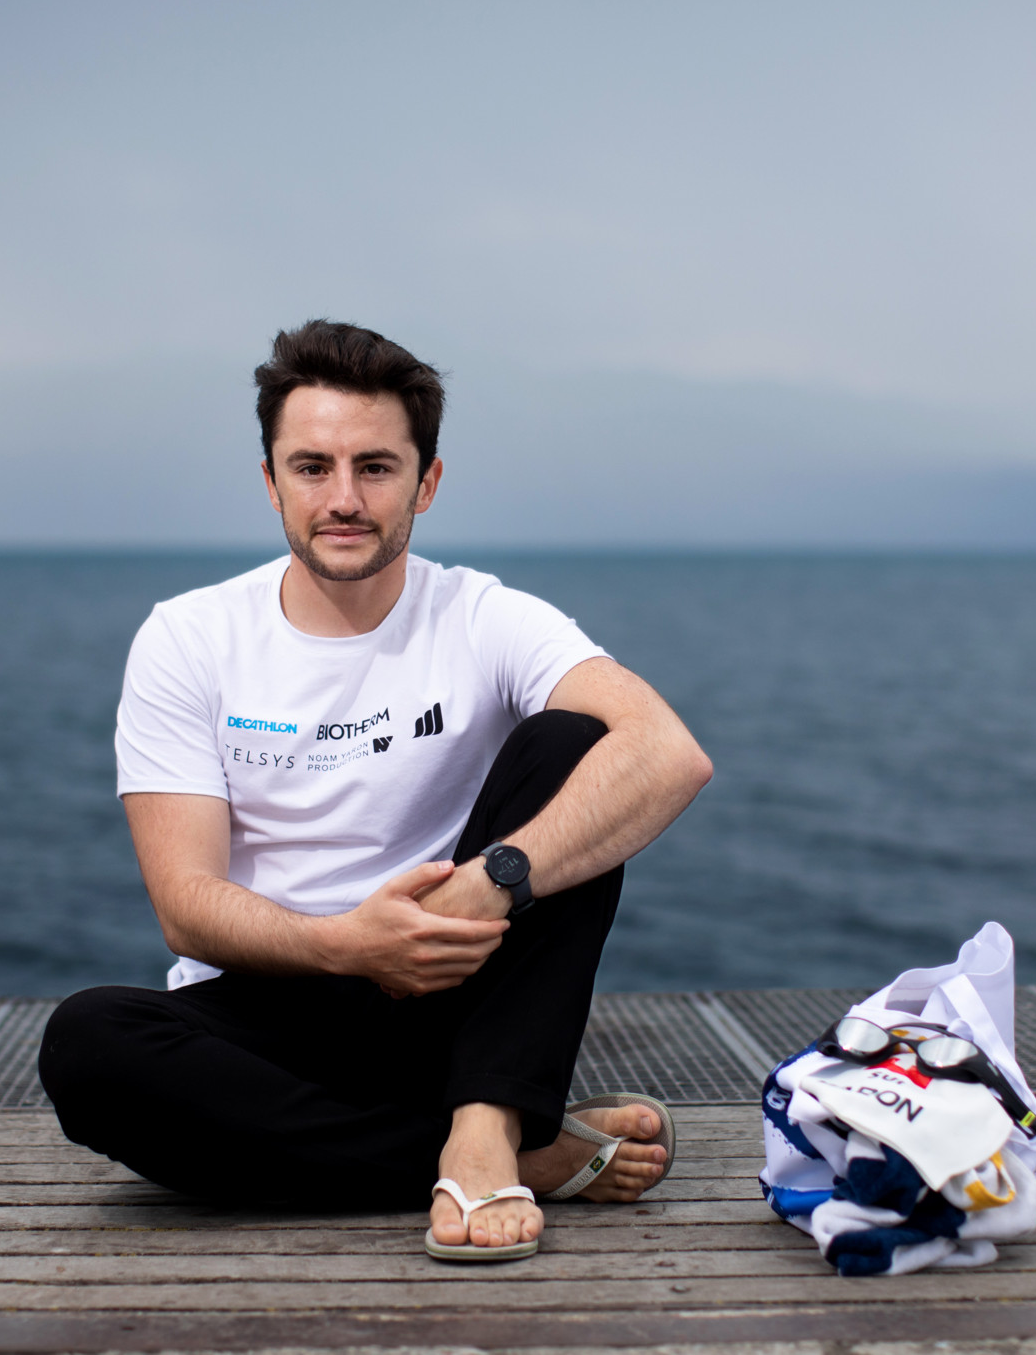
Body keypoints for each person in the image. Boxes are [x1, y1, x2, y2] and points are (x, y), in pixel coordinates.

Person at [38, 319, 712, 1260]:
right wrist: (345, 943)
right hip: (270, 999)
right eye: (312, 467)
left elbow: (667, 751)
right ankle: (518, 1147)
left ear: (427, 483)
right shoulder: (188, 638)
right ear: (271, 482)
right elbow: (187, 911)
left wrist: (488, 885)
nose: (343, 498)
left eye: (377, 467)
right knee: (88, 1044)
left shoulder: (482, 616)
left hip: (448, 986)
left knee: (578, 742)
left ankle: (482, 1117)